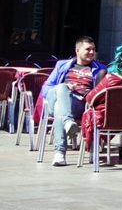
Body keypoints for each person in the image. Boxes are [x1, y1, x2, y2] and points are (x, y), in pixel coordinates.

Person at [43, 36, 105, 166]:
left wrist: (90, 94)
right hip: (56, 97)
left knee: (60, 107)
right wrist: (64, 88)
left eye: (93, 49)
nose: (92, 52)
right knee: (61, 87)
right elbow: (45, 89)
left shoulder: (100, 69)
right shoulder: (62, 66)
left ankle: (59, 153)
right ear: (77, 50)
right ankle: (67, 122)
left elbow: (102, 94)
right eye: (88, 49)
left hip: (80, 104)